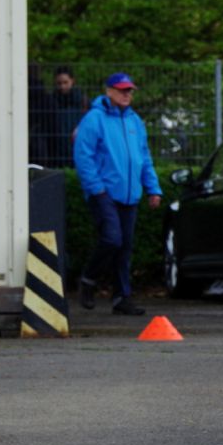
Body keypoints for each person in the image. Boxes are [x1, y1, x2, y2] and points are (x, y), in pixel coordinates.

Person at [73, 73, 162, 316]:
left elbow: (144, 157)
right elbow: (83, 155)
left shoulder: (135, 121)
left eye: (129, 90)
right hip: (104, 192)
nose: (127, 94)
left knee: (125, 248)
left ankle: (122, 298)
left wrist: (153, 188)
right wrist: (96, 188)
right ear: (109, 91)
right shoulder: (94, 119)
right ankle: (88, 280)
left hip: (130, 195)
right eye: (122, 90)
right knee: (112, 239)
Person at [31, 66, 87, 168]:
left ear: (72, 81)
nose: (62, 86)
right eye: (59, 83)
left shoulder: (83, 101)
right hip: (56, 150)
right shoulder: (49, 102)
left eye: (65, 82)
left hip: (76, 148)